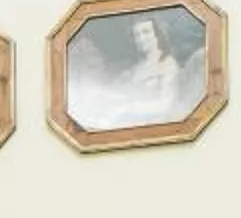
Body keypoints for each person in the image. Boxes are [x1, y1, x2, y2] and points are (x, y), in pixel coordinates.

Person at [68, 7, 203, 130]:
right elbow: (120, 93)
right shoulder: (134, 68)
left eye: (146, 32)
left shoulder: (168, 64)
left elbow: (165, 104)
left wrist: (127, 108)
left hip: (152, 124)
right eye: (137, 35)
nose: (141, 39)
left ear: (157, 34)